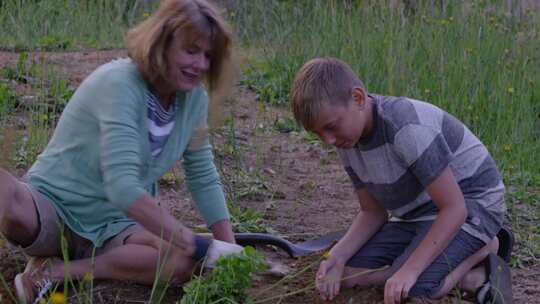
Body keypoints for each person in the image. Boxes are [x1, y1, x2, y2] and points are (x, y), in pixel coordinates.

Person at [0, 0, 244, 303]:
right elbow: (123, 188)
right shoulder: (120, 83)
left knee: (181, 263)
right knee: (6, 194)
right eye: (191, 51)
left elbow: (203, 176)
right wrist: (197, 244)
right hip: (52, 207)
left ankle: (58, 272)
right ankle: (51, 259)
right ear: (161, 43)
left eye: (208, 55)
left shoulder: (194, 101)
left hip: (115, 227)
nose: (201, 65)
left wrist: (231, 254)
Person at [289, 57, 513, 304]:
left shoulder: (405, 128)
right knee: (349, 268)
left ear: (358, 98)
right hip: (419, 214)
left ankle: (485, 251)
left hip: (472, 206)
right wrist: (337, 256)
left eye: (331, 127)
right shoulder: (346, 140)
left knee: (417, 286)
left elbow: (454, 208)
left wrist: (409, 270)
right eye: (318, 133)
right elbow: (372, 212)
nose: (328, 140)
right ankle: (405, 267)